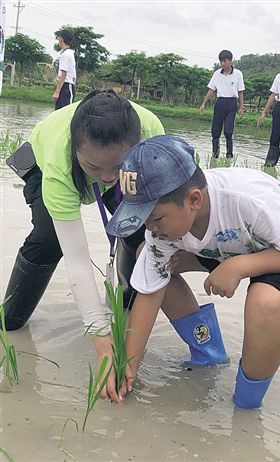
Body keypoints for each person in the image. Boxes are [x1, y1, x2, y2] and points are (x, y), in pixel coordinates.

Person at [106, 135, 280, 409]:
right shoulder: (164, 229)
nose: (151, 228)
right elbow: (150, 292)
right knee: (149, 258)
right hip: (228, 245)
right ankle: (209, 353)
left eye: (156, 218)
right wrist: (127, 368)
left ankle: (246, 405)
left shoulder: (247, 200)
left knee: (265, 302)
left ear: (194, 200)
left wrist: (238, 266)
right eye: (143, 220)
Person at [2, 89, 164, 403]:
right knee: (49, 240)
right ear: (76, 149)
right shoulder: (60, 163)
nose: (106, 179)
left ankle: (129, 305)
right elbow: (77, 260)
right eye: (94, 169)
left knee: (137, 230)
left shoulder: (151, 133)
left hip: (119, 164)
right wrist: (104, 348)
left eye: (114, 169)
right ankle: (9, 317)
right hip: (43, 163)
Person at [199, 50, 245, 159]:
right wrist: (203, 104)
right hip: (220, 103)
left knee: (228, 131)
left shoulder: (238, 74)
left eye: (225, 61)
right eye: (221, 61)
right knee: (215, 131)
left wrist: (241, 106)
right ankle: (215, 156)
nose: (223, 64)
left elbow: (240, 91)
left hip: (232, 103)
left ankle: (229, 155)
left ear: (230, 61)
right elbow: (211, 90)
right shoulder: (217, 74)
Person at [53, 30, 76, 110]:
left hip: (67, 87)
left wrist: (56, 92)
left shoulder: (66, 54)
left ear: (61, 39)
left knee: (66, 113)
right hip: (64, 86)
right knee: (58, 113)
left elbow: (64, 74)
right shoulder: (66, 53)